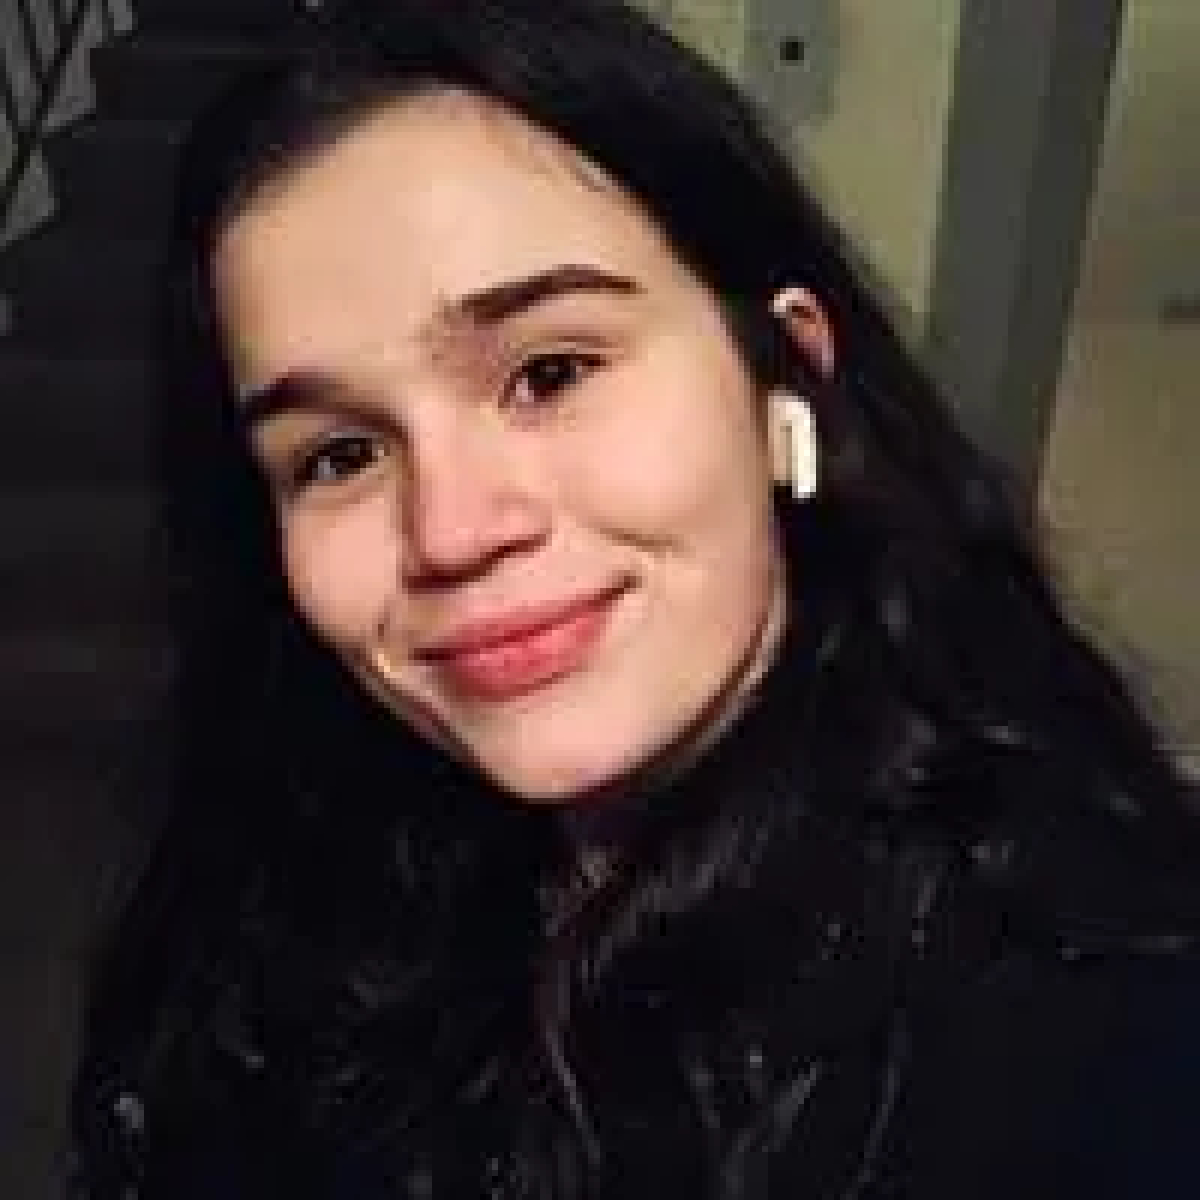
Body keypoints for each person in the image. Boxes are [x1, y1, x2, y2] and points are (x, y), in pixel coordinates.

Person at [69, 1, 1200, 1196]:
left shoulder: (1105, 1021)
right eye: (339, 455)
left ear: (786, 377)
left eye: (551, 373)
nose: (451, 532)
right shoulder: (287, 890)